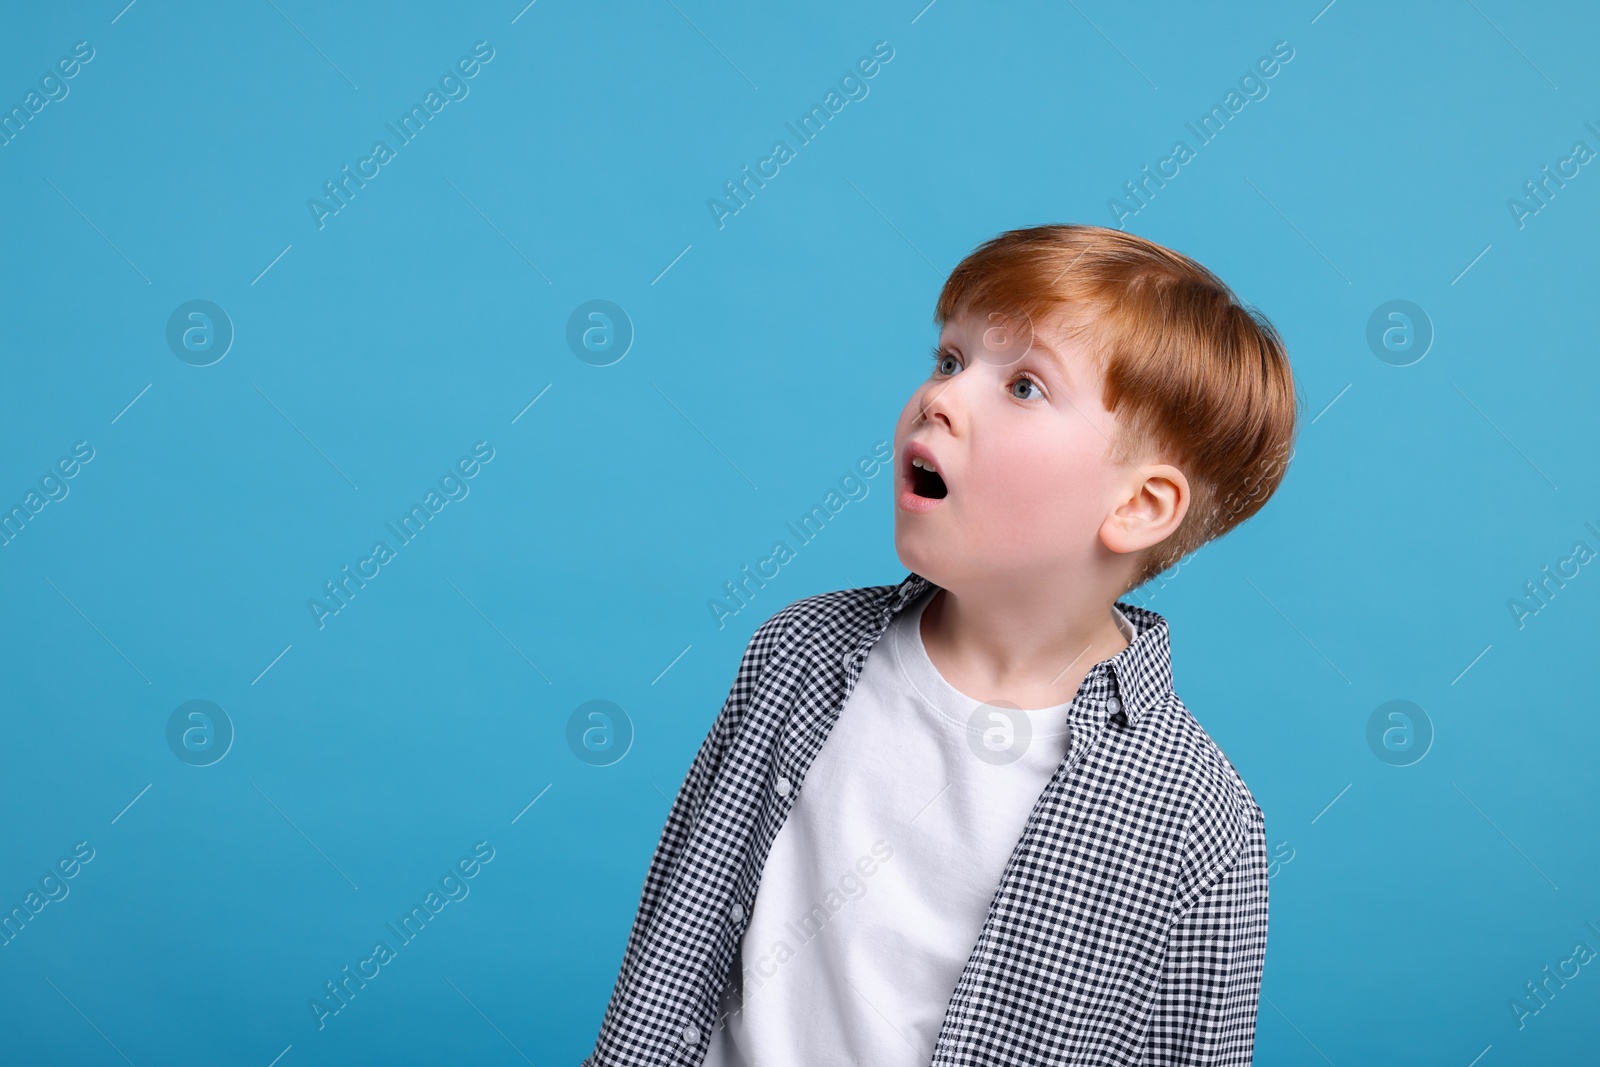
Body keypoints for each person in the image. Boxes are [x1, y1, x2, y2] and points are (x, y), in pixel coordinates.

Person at [583, 224, 1300, 1066]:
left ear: (1139, 506)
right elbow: (677, 936)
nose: (941, 398)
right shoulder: (798, 656)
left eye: (1025, 386)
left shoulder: (1195, 816)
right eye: (951, 360)